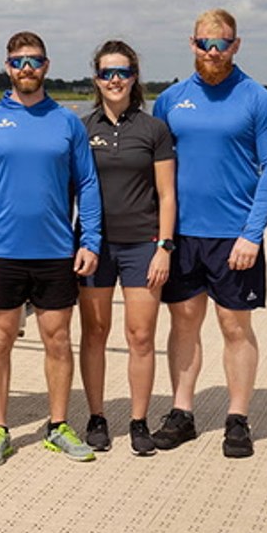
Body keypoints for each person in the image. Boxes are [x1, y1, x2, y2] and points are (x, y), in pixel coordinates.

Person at [0, 31, 103, 467]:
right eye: (19, 61)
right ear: (7, 66)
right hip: (0, 252)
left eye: (34, 61)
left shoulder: (66, 122)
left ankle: (57, 426)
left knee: (58, 341)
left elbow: (88, 185)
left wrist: (90, 240)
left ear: (46, 65)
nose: (27, 68)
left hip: (57, 251)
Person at [151, 9, 267, 458]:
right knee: (184, 323)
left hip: (235, 236)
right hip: (182, 236)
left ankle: (237, 419)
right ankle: (182, 413)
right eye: (204, 43)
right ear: (191, 44)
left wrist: (252, 233)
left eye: (222, 43)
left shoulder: (258, 100)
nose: (213, 52)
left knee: (234, 326)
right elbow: (157, 172)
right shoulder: (170, 100)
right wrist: (160, 237)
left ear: (236, 45)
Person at [76, 40, 176, 457]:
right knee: (95, 332)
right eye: (106, 73)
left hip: (142, 244)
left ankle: (138, 420)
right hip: (95, 246)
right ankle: (97, 417)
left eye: (122, 72)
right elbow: (68, 190)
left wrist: (164, 248)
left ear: (135, 77)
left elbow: (167, 195)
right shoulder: (83, 129)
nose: (114, 80)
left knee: (140, 336)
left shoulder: (153, 130)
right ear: (96, 79)